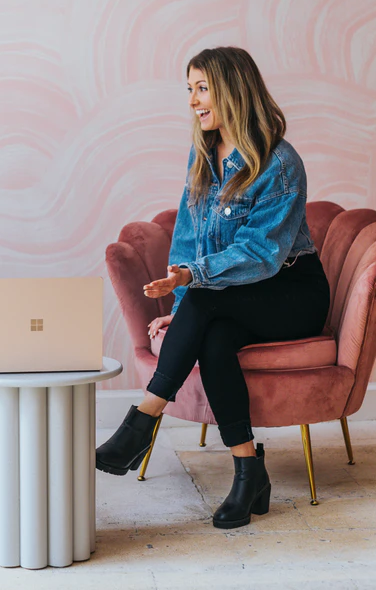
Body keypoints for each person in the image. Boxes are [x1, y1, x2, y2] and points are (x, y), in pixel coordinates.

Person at [96, 47, 330, 529]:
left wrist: (190, 286)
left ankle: (142, 420)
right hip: (231, 296)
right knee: (214, 337)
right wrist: (184, 305)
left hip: (291, 293)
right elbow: (186, 238)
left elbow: (261, 254)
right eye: (190, 89)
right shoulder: (203, 154)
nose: (193, 101)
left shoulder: (279, 162)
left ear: (233, 90)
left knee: (204, 298)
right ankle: (249, 475)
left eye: (202, 88)